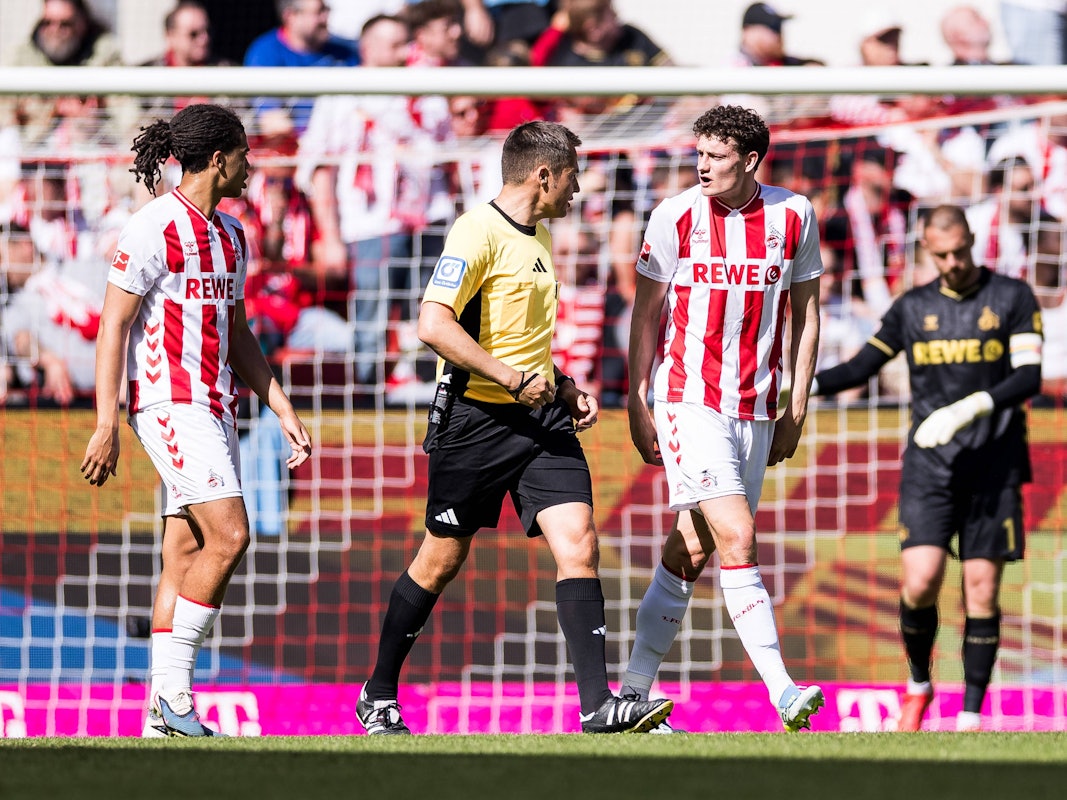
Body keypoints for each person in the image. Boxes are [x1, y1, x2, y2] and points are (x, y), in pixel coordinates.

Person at [357, 120, 673, 735]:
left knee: (579, 543)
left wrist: (560, 385)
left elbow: (519, 337)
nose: (579, 190)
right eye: (573, 176)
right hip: (474, 419)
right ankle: (379, 691)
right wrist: (508, 377)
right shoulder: (476, 231)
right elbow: (433, 325)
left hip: (540, 415)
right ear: (544, 175)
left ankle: (597, 706)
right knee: (439, 561)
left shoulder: (540, 237)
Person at [79, 103, 313, 738]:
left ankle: (160, 717)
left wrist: (281, 406)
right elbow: (113, 327)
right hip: (166, 404)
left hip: (216, 407)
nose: (250, 166)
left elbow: (236, 332)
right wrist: (108, 421)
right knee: (231, 534)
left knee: (184, 550)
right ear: (218, 159)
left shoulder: (232, 235)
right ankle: (176, 696)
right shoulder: (152, 227)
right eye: (243, 155)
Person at [621, 105, 825, 733]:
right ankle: (785, 692)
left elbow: (808, 312)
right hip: (690, 398)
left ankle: (631, 695)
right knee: (737, 534)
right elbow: (646, 314)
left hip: (758, 405)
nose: (701, 165)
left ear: (750, 159)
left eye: (715, 155)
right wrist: (636, 397)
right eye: (699, 154)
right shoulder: (674, 215)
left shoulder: (795, 214)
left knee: (692, 546)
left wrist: (796, 404)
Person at [811, 204, 1043, 732]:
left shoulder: (1011, 297)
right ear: (927, 252)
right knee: (919, 582)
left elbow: (1029, 375)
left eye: (961, 249)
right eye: (942, 254)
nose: (954, 261)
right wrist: (804, 386)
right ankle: (919, 683)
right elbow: (863, 366)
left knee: (981, 588)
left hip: (995, 466)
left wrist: (973, 405)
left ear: (972, 239)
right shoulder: (913, 307)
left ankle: (969, 718)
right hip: (930, 467)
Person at [243, 0, 361, 132]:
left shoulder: (346, 50)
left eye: (326, 10)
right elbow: (273, 124)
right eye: (318, 12)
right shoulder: (265, 53)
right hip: (293, 146)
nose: (325, 18)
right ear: (291, 16)